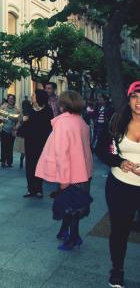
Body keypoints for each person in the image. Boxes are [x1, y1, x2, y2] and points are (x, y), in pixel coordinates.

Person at [35, 90, 93, 251]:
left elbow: (62, 153)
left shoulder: (63, 123)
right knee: (72, 204)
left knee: (72, 207)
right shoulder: (81, 122)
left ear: (62, 105)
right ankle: (64, 231)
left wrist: (63, 180)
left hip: (69, 174)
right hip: (82, 172)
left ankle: (74, 238)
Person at [96, 81, 140, 288]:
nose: (139, 101)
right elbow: (101, 150)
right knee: (120, 230)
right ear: (129, 98)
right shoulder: (117, 121)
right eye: (135, 96)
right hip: (120, 185)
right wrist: (120, 162)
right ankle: (117, 269)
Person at [22, 89, 54, 198]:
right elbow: (26, 126)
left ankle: (39, 189)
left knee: (40, 165)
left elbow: (50, 127)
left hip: (42, 142)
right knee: (29, 165)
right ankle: (30, 189)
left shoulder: (48, 110)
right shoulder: (30, 110)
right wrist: (24, 121)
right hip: (30, 141)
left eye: (34, 95)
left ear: (39, 97)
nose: (32, 96)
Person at [0, 94, 20, 168]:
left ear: (14, 100)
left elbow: (18, 121)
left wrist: (16, 127)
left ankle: (9, 162)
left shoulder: (17, 110)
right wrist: (2, 119)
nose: (10, 100)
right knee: (4, 146)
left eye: (12, 99)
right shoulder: (3, 107)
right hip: (4, 129)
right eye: (9, 98)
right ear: (7, 99)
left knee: (10, 147)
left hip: (12, 131)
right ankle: (3, 161)